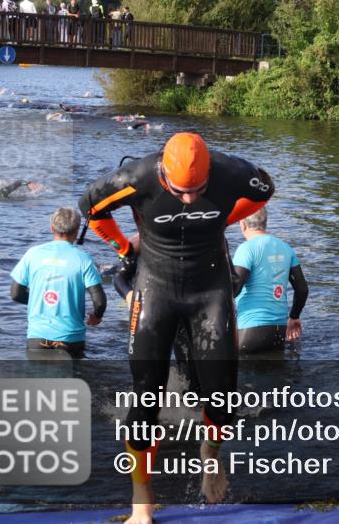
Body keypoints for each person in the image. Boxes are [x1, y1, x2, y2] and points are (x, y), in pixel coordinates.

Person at [78, 132, 274, 523]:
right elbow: (90, 208)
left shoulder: (231, 171)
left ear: (209, 174)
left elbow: (265, 189)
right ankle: (142, 499)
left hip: (210, 290)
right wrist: (122, 247)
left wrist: (223, 217)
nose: (188, 199)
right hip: (156, 289)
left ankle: (210, 455)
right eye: (180, 191)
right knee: (146, 398)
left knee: (221, 399)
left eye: (197, 191)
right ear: (163, 173)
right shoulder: (136, 177)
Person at [10, 208, 107, 358]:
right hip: (71, 340)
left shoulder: (32, 254)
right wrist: (97, 316)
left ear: (52, 228)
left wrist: (41, 300)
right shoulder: (83, 259)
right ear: (77, 229)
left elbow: (16, 294)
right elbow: (99, 301)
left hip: (37, 338)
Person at [232, 207, 308, 353]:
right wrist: (294, 317)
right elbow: (302, 289)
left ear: (243, 223)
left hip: (248, 332)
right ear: (265, 222)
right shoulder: (286, 248)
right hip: (279, 333)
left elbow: (234, 288)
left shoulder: (246, 249)